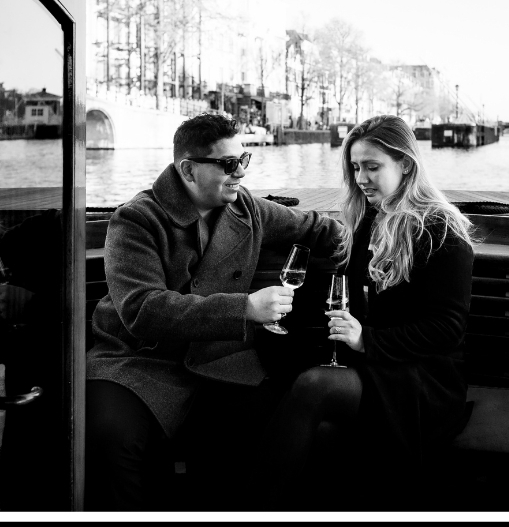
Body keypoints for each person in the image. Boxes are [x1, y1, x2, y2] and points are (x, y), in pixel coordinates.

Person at [85, 112, 347, 506]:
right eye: (228, 164)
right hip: (140, 363)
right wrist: (243, 309)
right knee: (113, 439)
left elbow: (312, 226)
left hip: (221, 359)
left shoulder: (247, 209)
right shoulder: (137, 219)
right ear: (188, 170)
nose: (240, 172)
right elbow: (141, 310)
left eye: (244, 160)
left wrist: (351, 242)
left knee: (268, 436)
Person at [265, 115, 474, 503]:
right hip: (375, 367)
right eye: (356, 167)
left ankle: (259, 510)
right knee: (321, 425)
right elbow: (351, 287)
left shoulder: (441, 230)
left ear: (406, 165)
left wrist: (367, 340)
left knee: (315, 385)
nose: (361, 177)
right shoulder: (367, 220)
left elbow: (447, 328)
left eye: (373, 167)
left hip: (421, 379)